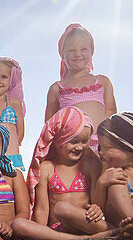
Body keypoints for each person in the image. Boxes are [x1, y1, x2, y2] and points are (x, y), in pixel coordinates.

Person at [12, 106, 127, 240]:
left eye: (84, 142)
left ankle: (116, 231)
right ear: (58, 140)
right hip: (56, 230)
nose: (79, 147)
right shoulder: (46, 168)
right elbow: (42, 209)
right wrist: (39, 231)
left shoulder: (90, 166)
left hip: (87, 224)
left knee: (63, 209)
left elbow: (97, 203)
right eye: (73, 142)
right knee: (17, 224)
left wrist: (96, 208)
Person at [44, 24, 117, 155]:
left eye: (83, 49)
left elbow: (111, 111)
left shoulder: (102, 82)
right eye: (71, 50)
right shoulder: (57, 88)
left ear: (91, 51)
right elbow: (49, 124)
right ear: (62, 54)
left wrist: (106, 137)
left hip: (101, 145)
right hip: (71, 147)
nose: (77, 54)